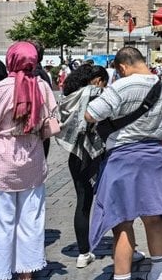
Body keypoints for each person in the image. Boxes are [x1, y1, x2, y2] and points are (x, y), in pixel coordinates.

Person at [0, 42, 60, 280]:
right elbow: (52, 119)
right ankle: (26, 272)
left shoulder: (1, 88)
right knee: (31, 218)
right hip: (33, 155)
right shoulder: (42, 86)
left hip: (2, 157)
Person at [85, 46, 162, 280]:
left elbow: (91, 114)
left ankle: (122, 276)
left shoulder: (121, 86)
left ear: (122, 66)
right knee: (154, 216)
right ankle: (157, 272)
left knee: (122, 221)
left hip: (123, 157)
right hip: (154, 155)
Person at [55, 63, 108, 268]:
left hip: (76, 155)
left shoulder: (71, 95)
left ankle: (83, 252)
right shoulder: (95, 93)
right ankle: (123, 245)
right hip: (96, 153)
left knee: (83, 202)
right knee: (109, 202)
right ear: (97, 80)